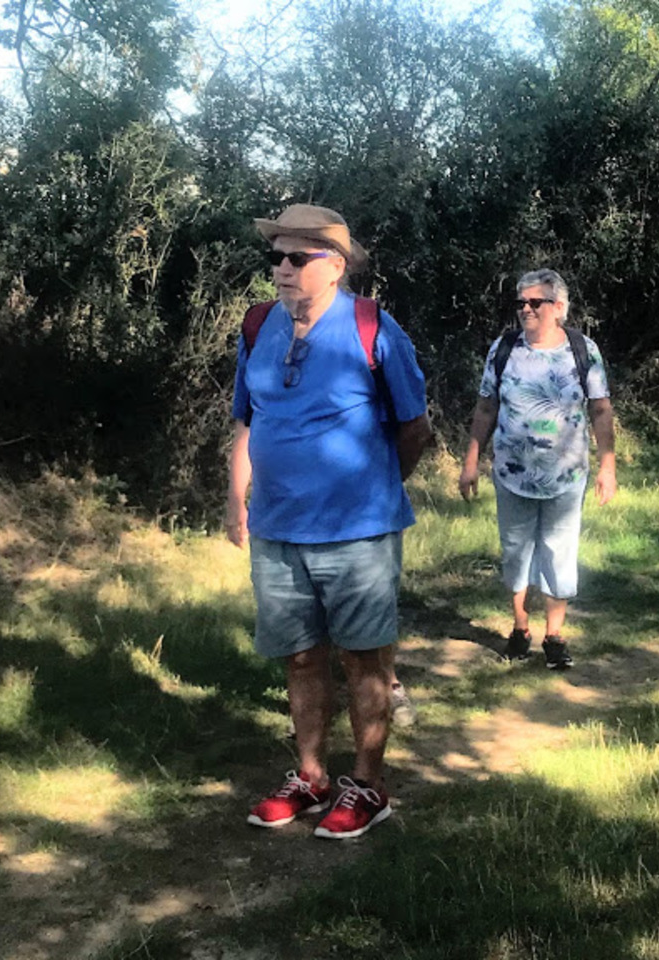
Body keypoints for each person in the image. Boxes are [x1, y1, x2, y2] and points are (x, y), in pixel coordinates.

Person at [226, 204, 432, 840]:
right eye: (276, 257)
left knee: (363, 660)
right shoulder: (257, 327)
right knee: (299, 658)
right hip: (277, 528)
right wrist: (236, 498)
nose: (282, 270)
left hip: (357, 530)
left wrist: (374, 487)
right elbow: (248, 420)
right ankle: (312, 775)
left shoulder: (373, 327)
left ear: (336, 266)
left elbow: (415, 427)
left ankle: (368, 785)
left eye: (298, 257)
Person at [459, 268, 616, 669]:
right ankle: (520, 629)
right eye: (521, 303)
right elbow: (486, 407)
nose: (526, 309)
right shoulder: (504, 348)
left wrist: (607, 465)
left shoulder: (583, 350)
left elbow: (600, 410)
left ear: (559, 307)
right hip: (512, 475)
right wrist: (471, 461)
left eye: (535, 302)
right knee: (516, 552)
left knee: (559, 552)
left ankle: (555, 637)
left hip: (566, 476)